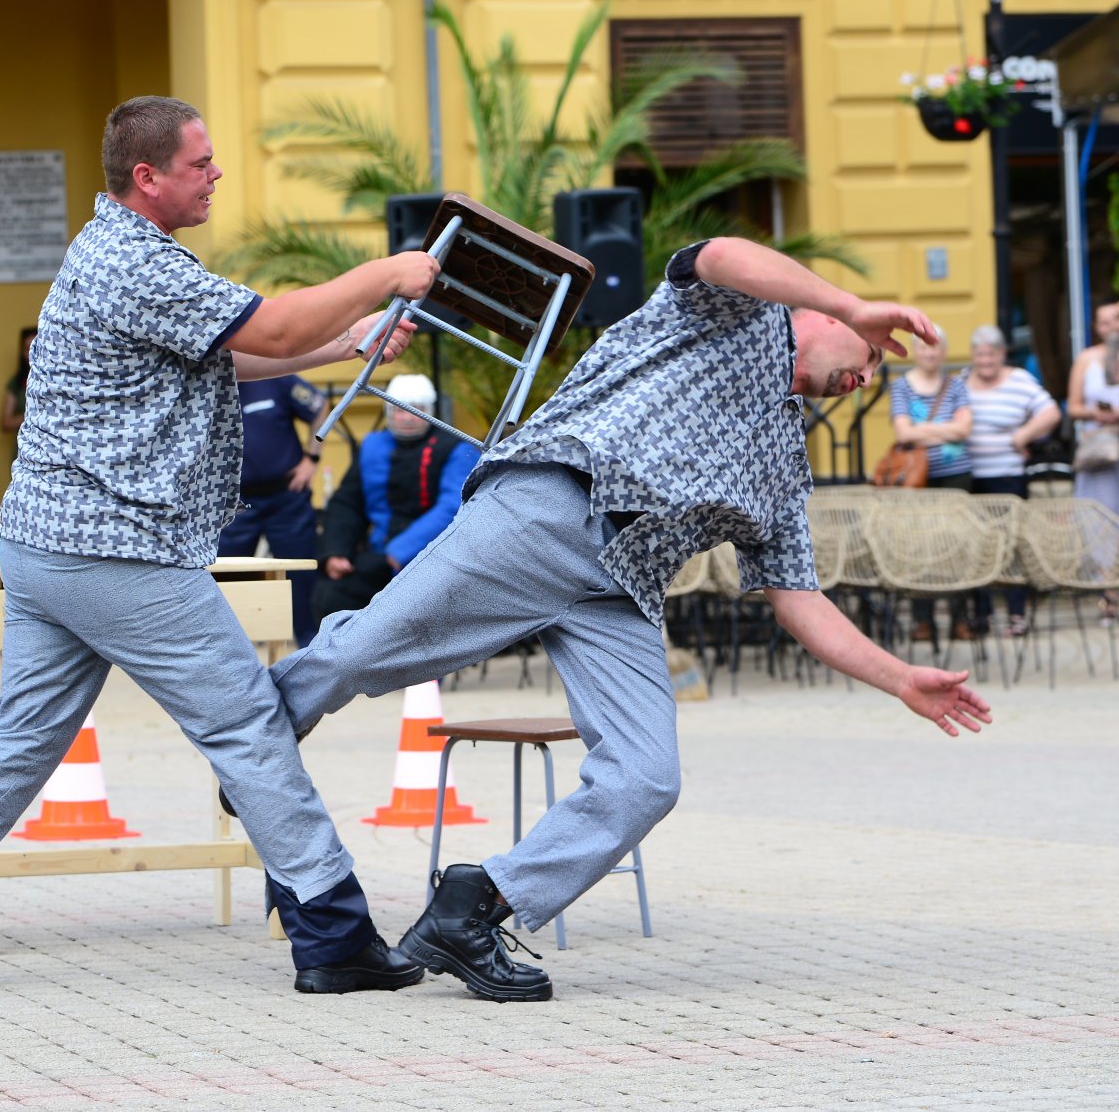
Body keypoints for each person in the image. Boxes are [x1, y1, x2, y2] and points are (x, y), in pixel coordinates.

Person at [0, 94, 441, 997]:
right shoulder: (136, 261)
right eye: (200, 164)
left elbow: (229, 352)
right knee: (248, 725)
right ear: (148, 177)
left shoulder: (116, 252)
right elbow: (273, 327)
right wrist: (387, 272)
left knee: (16, 744)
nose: (215, 175)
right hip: (117, 551)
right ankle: (332, 937)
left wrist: (347, 342)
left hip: (51, 547)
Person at [263, 236, 993, 1003]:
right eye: (872, 355)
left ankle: (474, 906)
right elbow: (716, 252)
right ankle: (262, 730)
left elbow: (797, 595)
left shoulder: (785, 457)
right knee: (365, 652)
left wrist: (902, 677)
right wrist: (853, 302)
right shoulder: (729, 315)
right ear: (819, 313)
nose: (865, 378)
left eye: (875, 376)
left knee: (647, 777)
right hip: (549, 511)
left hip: (621, 591)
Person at [313, 373, 480, 629]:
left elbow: (452, 508)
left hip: (431, 557)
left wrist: (397, 553)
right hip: (377, 555)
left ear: (431, 411)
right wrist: (337, 551)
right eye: (398, 410)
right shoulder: (373, 445)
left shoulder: (457, 448)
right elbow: (347, 502)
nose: (407, 418)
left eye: (417, 410)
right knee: (330, 595)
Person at [219, 372, 330, 645]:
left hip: (286, 496)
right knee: (225, 580)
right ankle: (228, 651)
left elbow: (321, 408)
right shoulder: (207, 384)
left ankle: (309, 647)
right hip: (235, 503)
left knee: (301, 578)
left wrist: (311, 458)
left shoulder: (274, 376)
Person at [964, 323, 1059, 637]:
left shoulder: (1019, 380)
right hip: (971, 477)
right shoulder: (961, 382)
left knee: (1012, 544)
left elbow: (1050, 412)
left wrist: (1025, 434)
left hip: (1008, 476)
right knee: (979, 546)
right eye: (980, 354)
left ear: (1003, 354)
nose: (986, 360)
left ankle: (1017, 614)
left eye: (992, 354)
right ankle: (982, 615)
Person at [887, 328, 973, 641]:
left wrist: (921, 428)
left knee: (955, 544)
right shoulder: (901, 387)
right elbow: (903, 435)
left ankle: (959, 619)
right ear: (913, 351)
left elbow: (964, 430)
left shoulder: (957, 385)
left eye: (935, 347)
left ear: (945, 351)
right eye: (923, 347)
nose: (930, 353)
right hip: (917, 478)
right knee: (920, 544)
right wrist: (944, 429)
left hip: (956, 474)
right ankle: (923, 621)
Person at [1065, 298, 1119, 622]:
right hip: (1100, 454)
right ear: (1096, 327)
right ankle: (1110, 595)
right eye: (1105, 321)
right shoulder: (1086, 359)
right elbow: (1072, 407)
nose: (1112, 325)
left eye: (1117, 318)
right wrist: (1098, 414)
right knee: (1101, 522)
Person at [0, 326, 35, 438]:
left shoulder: (58, 379)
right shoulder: (16, 383)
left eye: (36, 347)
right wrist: (34, 414)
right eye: (27, 349)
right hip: (25, 447)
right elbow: (6, 423)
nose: (32, 353)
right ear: (22, 353)